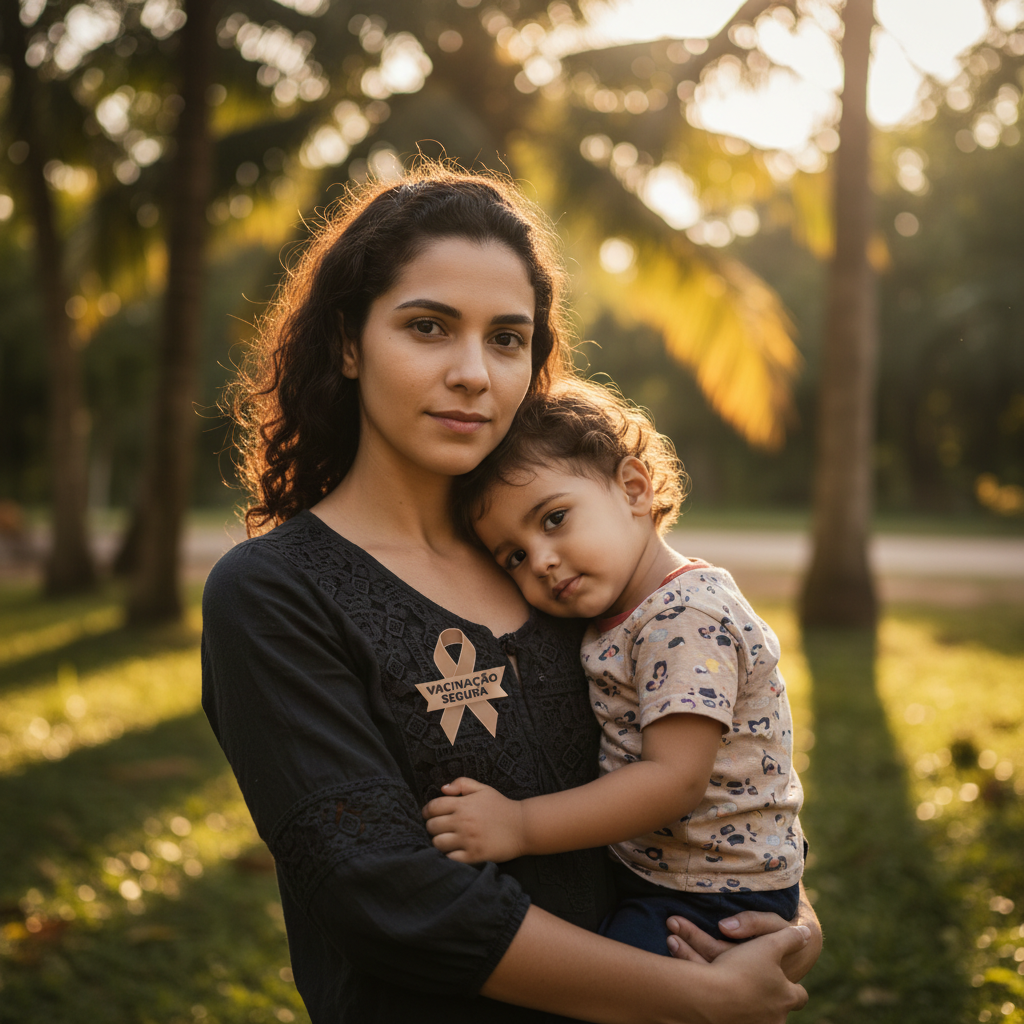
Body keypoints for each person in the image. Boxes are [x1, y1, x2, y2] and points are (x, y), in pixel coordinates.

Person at [201, 164, 820, 1024]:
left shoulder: (553, 566)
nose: (474, 374)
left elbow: (705, 771)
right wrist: (698, 994)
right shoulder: (276, 592)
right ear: (348, 342)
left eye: (506, 338)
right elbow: (384, 895)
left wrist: (774, 916)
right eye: (428, 327)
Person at [426, 381, 804, 955]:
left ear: (633, 488)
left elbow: (673, 780)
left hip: (714, 896)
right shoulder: (622, 613)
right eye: (515, 557)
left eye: (554, 519)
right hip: (668, 876)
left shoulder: (683, 617)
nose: (542, 561)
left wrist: (519, 825)